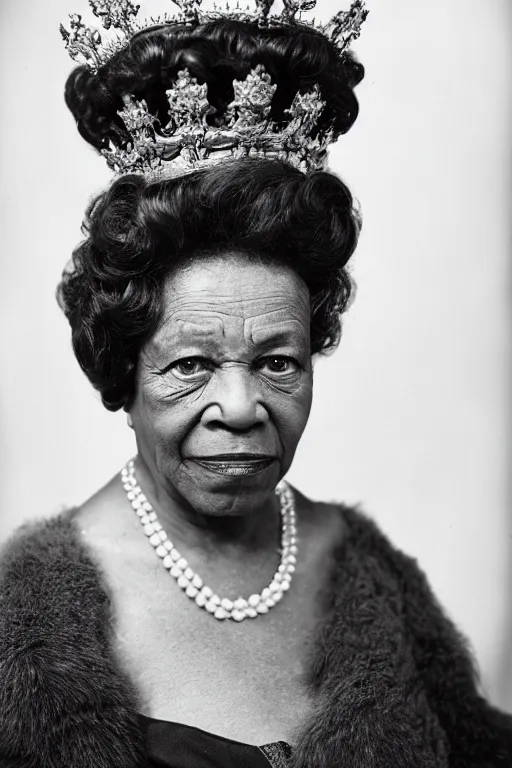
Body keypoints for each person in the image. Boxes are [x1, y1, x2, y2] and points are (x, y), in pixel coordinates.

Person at [1, 1, 511, 766]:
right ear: (124, 372)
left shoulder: (372, 570)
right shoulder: (22, 617)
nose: (242, 409)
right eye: (190, 366)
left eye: (279, 362)